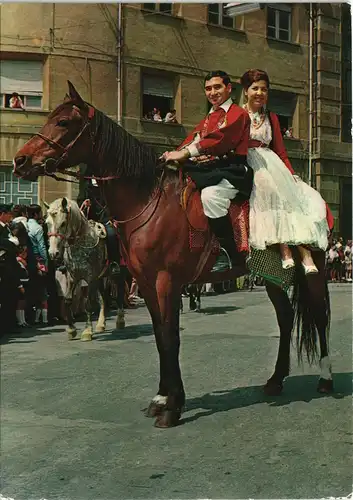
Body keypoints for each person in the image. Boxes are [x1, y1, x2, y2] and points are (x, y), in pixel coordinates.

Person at [161, 70, 253, 272]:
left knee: (211, 197)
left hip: (232, 170)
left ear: (229, 88)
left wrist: (185, 153)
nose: (212, 92)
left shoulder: (238, 114)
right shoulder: (207, 118)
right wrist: (173, 154)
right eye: (208, 88)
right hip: (209, 169)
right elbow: (193, 139)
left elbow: (220, 139)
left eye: (217, 87)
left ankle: (229, 254)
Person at [240, 69, 329, 274]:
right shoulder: (238, 115)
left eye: (264, 89)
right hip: (248, 161)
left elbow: (280, 150)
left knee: (296, 195)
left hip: (271, 162)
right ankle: (284, 249)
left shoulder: (271, 117)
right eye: (255, 88)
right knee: (266, 187)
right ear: (246, 91)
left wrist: (291, 174)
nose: (260, 93)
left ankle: (304, 253)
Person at [27, 204, 49, 325]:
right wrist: (45, 263)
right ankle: (42, 319)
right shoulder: (38, 228)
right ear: (36, 214)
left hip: (27, 258)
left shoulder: (25, 225)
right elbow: (42, 247)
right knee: (42, 290)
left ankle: (30, 316)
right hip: (38, 259)